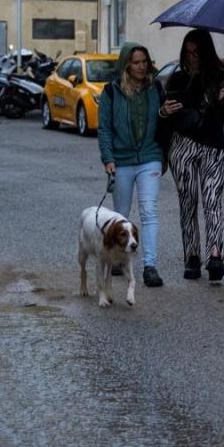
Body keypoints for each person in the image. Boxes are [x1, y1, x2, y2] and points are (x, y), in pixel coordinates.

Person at [161, 28, 224, 282]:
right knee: (188, 201)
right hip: (183, 144)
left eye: (197, 52)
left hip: (214, 146)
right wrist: (167, 109)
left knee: (212, 199)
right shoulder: (177, 79)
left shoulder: (223, 78)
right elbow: (170, 116)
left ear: (206, 52)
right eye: (188, 52)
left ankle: (215, 255)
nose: (192, 57)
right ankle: (192, 256)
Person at [96, 42, 166, 288]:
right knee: (121, 215)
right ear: (126, 64)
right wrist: (108, 158)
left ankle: (150, 266)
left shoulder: (155, 88)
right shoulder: (111, 92)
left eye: (144, 62)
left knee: (149, 210)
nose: (141, 66)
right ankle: (119, 259)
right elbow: (104, 128)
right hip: (121, 160)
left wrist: (166, 113)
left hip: (150, 156)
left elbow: (164, 120)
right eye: (136, 62)